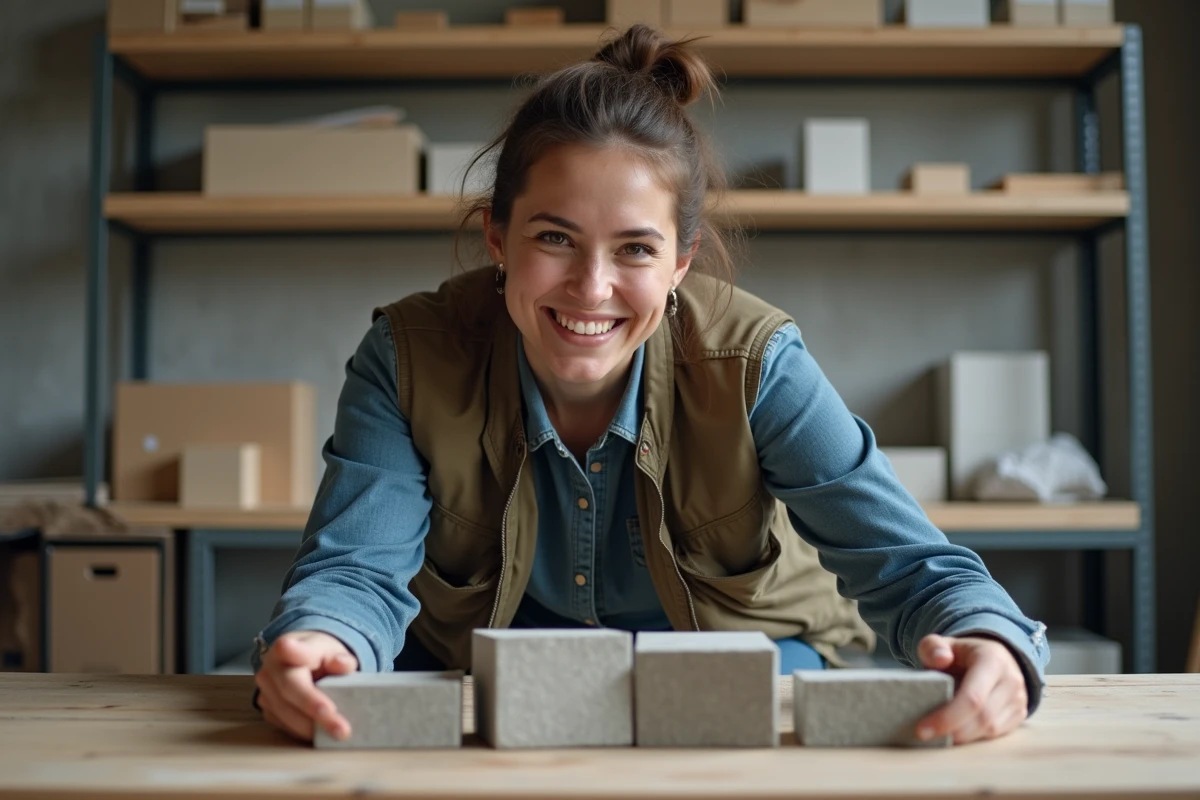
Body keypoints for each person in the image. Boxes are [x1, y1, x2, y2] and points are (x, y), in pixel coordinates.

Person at [251, 24, 1050, 747]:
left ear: (681, 261)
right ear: (497, 237)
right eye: (554, 237)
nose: (591, 288)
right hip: (489, 682)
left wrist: (990, 642)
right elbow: (355, 571)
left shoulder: (759, 362)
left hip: (745, 665)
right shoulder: (405, 356)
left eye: (635, 249)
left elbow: (908, 564)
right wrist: (327, 641)